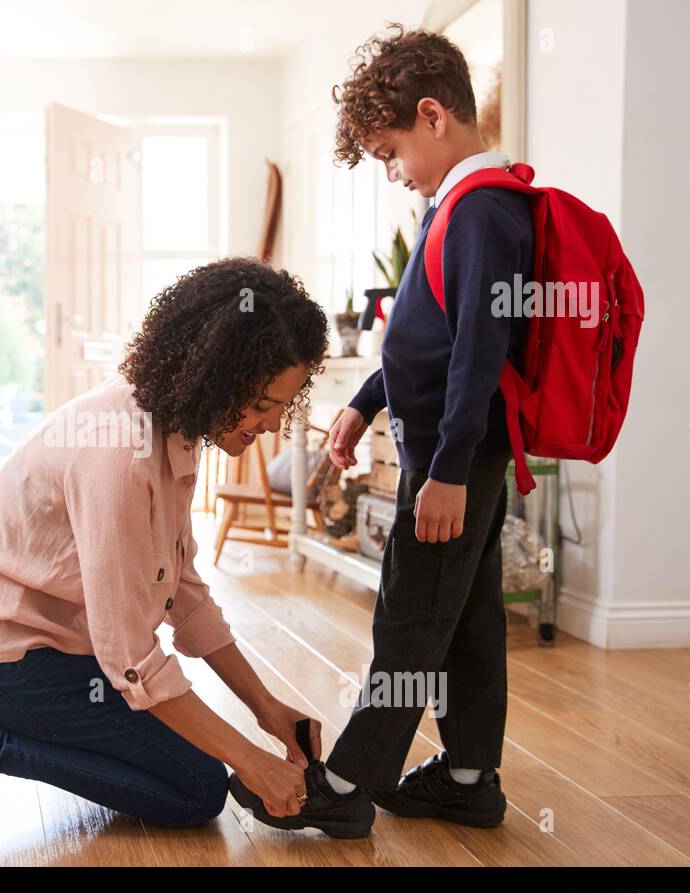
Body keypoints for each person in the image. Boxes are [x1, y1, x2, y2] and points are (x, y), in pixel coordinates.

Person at [0, 257, 373, 841]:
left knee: (190, 766)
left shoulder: (177, 424)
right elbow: (130, 659)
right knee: (197, 789)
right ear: (216, 376)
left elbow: (183, 588)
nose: (271, 425)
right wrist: (251, 762)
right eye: (260, 405)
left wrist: (265, 707)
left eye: (281, 406)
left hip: (59, 645)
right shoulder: (120, 455)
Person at [232, 23, 532, 832]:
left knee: (408, 619)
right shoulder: (459, 208)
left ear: (434, 115)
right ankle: (468, 776)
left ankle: (347, 786)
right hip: (453, 454)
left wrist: (447, 470)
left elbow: (479, 346)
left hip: (450, 460)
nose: (396, 174)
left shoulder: (480, 211)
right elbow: (425, 334)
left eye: (393, 152)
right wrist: (366, 401)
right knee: (463, 616)